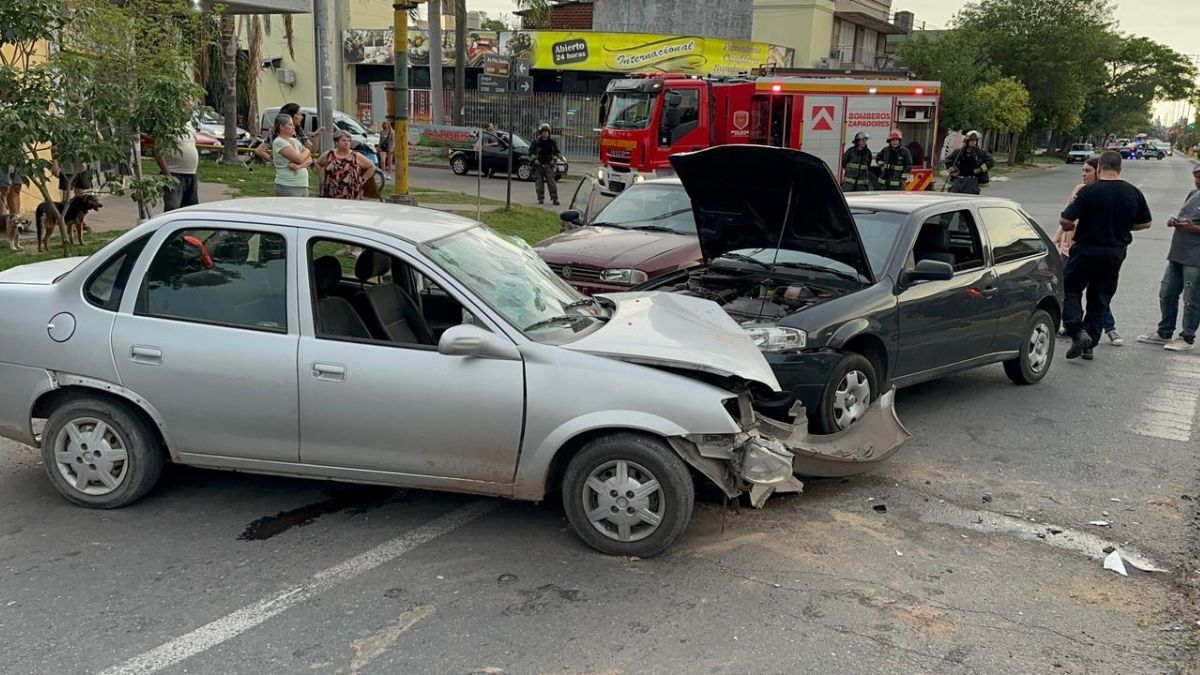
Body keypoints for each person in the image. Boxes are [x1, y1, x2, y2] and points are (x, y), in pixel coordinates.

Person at [1058, 150, 1152, 361]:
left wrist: (1072, 225)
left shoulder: (1089, 191)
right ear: (1120, 168)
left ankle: (1077, 330)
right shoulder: (1133, 192)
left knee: (1070, 289)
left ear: (1099, 168)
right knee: (1100, 297)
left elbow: (1065, 220)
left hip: (1085, 249)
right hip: (1114, 253)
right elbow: (1145, 223)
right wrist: (1123, 227)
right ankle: (1089, 345)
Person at [1053, 157, 1122, 344]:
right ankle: (1073, 328)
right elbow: (1067, 216)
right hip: (1069, 249)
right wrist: (1058, 236)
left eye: (1088, 171)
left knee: (1096, 294)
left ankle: (1108, 328)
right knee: (1069, 290)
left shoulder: (1101, 194)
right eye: (1082, 170)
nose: (1084, 174)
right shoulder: (1079, 190)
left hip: (1086, 249)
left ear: (1098, 171)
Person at [1137, 163, 1200, 352]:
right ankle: (1164, 331)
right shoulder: (1193, 194)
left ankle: (1187, 337)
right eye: (1196, 176)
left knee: (1191, 299)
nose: (1198, 180)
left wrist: (1192, 229)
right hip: (1178, 252)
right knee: (1167, 293)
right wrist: (1175, 222)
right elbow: (1187, 217)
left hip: (1195, 258)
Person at [317, 130, 376, 200]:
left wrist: (363, 180)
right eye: (343, 140)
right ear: (336, 142)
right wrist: (322, 176)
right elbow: (318, 163)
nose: (346, 143)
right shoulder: (329, 154)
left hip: (351, 193)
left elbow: (372, 167)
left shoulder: (356, 156)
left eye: (348, 141)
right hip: (331, 192)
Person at [155, 122, 200, 212]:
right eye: (186, 106)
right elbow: (158, 152)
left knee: (191, 211)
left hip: (191, 175)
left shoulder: (189, 124)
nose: (190, 107)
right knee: (173, 209)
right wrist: (168, 176)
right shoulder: (168, 124)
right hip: (174, 174)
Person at [271, 114, 313, 197]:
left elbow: (310, 159)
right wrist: (307, 151)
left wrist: (299, 166)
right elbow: (299, 159)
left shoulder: (294, 140)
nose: (293, 127)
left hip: (302, 183)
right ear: (281, 127)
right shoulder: (279, 142)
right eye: (290, 125)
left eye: (293, 124)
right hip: (288, 185)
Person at [944, 130, 994, 194]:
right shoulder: (958, 152)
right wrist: (953, 172)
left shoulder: (980, 153)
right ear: (967, 141)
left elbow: (991, 162)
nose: (974, 142)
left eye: (975, 140)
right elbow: (948, 161)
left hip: (972, 181)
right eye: (971, 140)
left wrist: (979, 169)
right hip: (959, 180)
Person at [530, 123, 562, 205]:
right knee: (539, 184)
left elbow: (557, 153)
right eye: (543, 132)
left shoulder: (552, 142)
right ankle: (540, 198)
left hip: (548, 165)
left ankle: (555, 198)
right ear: (540, 133)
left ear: (549, 133)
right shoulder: (536, 142)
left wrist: (553, 160)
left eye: (546, 132)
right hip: (538, 165)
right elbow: (530, 152)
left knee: (551, 183)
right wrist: (534, 159)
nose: (545, 133)